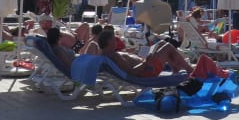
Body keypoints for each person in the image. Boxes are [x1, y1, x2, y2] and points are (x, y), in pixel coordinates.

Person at [97, 27, 228, 79]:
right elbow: (132, 72)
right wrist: (146, 62)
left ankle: (176, 67)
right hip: (146, 71)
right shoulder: (114, 56)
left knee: (160, 43)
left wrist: (132, 54)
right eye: (114, 39)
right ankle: (189, 71)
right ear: (108, 42)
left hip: (145, 66)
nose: (117, 40)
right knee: (167, 46)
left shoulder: (109, 54)